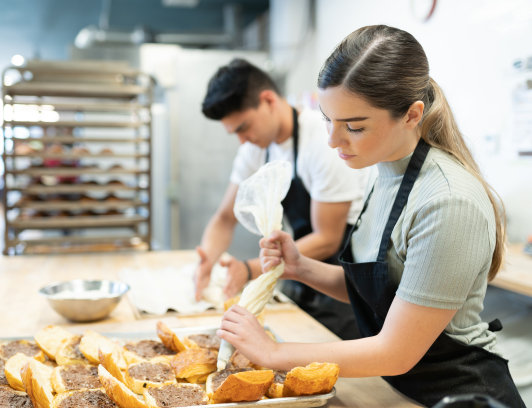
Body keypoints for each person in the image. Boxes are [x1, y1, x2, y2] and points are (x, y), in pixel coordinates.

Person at [217, 25, 525, 408]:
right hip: (396, 388)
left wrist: (274, 353)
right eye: (328, 119)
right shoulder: (385, 172)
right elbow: (384, 294)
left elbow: (396, 350)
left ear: (412, 115)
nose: (333, 140)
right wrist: (300, 267)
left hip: (459, 394)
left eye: (355, 126)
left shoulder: (447, 202)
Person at [195, 58, 368, 340]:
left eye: (243, 127)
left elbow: (327, 238)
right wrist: (207, 260)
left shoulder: (321, 143)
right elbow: (225, 218)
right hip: (300, 275)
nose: (242, 139)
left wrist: (249, 269)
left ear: (268, 100)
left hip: (341, 282)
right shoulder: (257, 146)